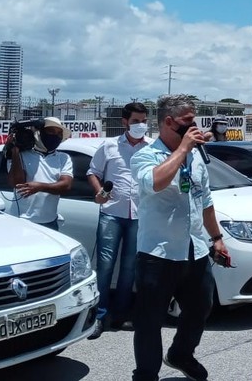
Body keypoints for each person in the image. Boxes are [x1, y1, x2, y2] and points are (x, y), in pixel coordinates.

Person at [130, 95, 231, 381]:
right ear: (169, 122)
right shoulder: (146, 154)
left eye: (195, 122)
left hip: (194, 249)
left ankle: (181, 354)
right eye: (187, 123)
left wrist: (217, 238)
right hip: (158, 254)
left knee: (201, 307)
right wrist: (183, 149)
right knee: (149, 321)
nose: (194, 128)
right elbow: (155, 182)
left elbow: (205, 199)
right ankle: (146, 374)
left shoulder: (196, 154)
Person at [86, 102, 151, 340]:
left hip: (140, 215)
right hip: (111, 213)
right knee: (104, 267)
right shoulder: (109, 145)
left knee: (129, 268)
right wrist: (99, 191)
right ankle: (100, 317)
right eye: (135, 121)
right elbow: (93, 172)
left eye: (143, 121)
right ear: (125, 122)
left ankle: (120, 314)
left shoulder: (151, 147)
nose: (140, 125)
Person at [6, 117, 73, 230]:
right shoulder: (21, 155)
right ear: (39, 132)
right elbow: (17, 183)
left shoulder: (63, 158)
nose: (55, 136)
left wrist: (40, 187)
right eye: (51, 131)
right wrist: (15, 150)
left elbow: (66, 185)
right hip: (22, 222)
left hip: (50, 222)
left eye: (58, 134)